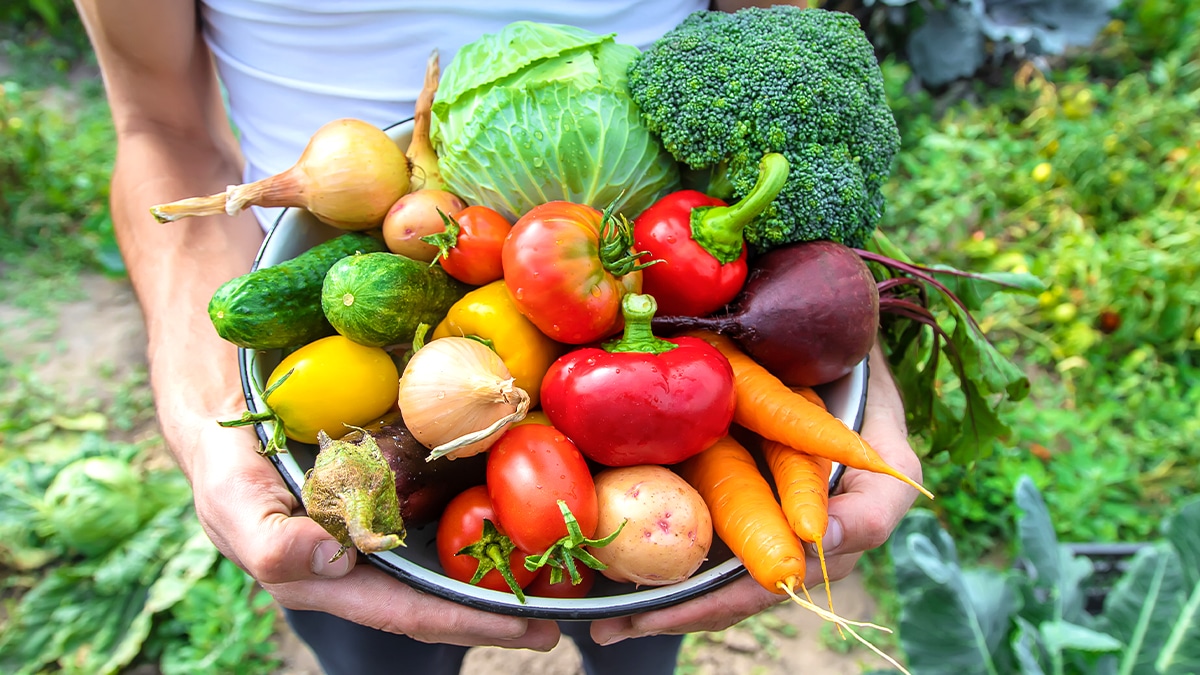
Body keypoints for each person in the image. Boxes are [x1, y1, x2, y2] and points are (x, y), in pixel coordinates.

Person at [72, 1, 924, 673]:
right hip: (344, 224)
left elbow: (781, 79)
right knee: (374, 648)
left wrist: (838, 326)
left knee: (645, 617)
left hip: (681, 246)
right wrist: (198, 413)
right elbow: (159, 127)